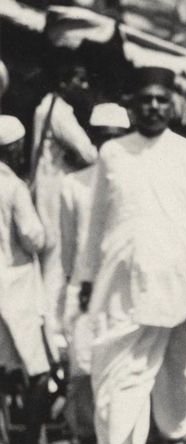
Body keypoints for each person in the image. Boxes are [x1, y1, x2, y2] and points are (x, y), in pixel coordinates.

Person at [79, 67, 186, 444]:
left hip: (180, 280)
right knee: (118, 370)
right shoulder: (113, 153)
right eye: (146, 99)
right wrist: (87, 276)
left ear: (172, 104)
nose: (154, 107)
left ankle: (176, 435)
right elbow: (97, 221)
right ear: (132, 104)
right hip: (120, 282)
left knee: (178, 369)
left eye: (162, 99)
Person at [59, 103, 132, 444]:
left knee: (125, 364)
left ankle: (123, 438)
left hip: (126, 283)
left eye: (116, 136)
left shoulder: (139, 180)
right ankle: (86, 434)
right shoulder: (73, 184)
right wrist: (73, 287)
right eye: (103, 136)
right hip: (86, 284)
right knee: (83, 364)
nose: (109, 144)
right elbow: (68, 243)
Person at [31, 59, 97, 343]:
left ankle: (44, 326)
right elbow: (88, 152)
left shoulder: (44, 107)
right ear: (63, 82)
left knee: (49, 258)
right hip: (56, 189)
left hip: (45, 186)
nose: (84, 85)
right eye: (78, 80)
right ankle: (51, 331)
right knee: (56, 260)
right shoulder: (60, 112)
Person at [0, 115, 50, 444]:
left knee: (3, 372)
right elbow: (33, 237)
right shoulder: (14, 187)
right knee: (38, 371)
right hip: (15, 289)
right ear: (14, 148)